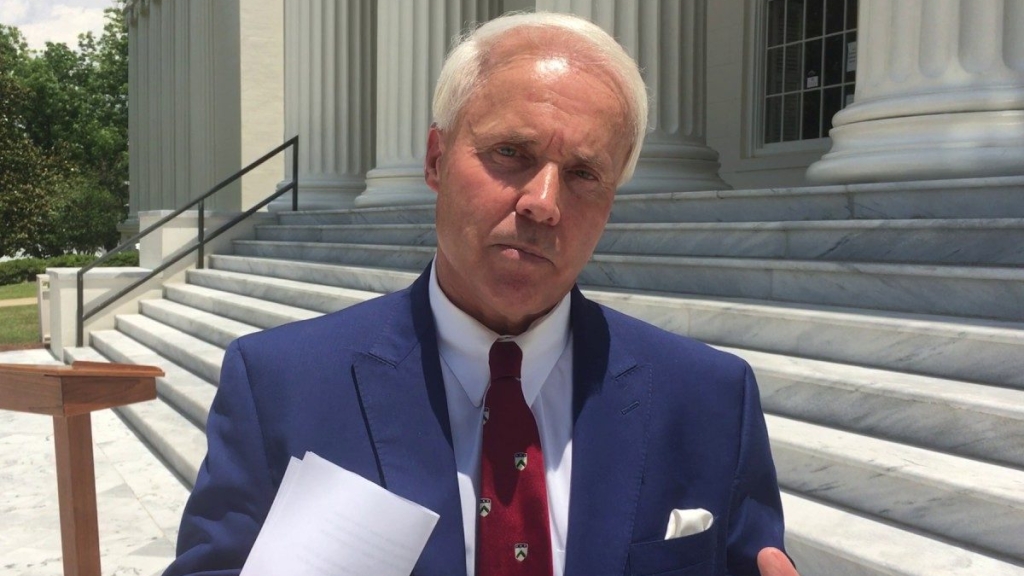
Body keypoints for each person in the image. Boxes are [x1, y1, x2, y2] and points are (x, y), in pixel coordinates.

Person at [165, 12, 798, 576]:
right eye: (510, 152)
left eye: (583, 173)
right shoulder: (281, 386)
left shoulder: (711, 399)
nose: (544, 203)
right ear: (435, 160)